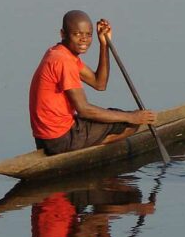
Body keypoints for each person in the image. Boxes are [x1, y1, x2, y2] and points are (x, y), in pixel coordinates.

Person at [29, 10, 155, 155]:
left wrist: (104, 44)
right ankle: (90, 148)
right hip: (59, 139)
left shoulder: (60, 53)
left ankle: (88, 141)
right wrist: (132, 117)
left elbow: (99, 83)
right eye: (77, 34)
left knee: (118, 115)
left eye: (88, 35)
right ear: (63, 34)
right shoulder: (63, 61)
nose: (84, 39)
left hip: (46, 138)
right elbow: (83, 109)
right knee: (131, 124)